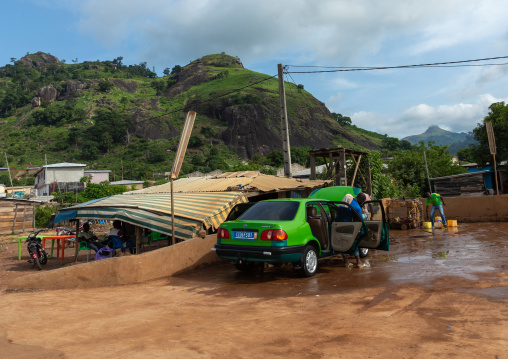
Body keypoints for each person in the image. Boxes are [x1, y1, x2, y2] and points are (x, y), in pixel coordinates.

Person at [339, 194, 367, 268]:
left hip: (337, 225)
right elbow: (360, 220)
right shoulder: (357, 207)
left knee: (342, 243)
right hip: (348, 226)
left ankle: (346, 261)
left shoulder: (344, 203)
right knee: (355, 242)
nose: (362, 203)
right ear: (361, 199)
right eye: (363, 202)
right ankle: (359, 262)